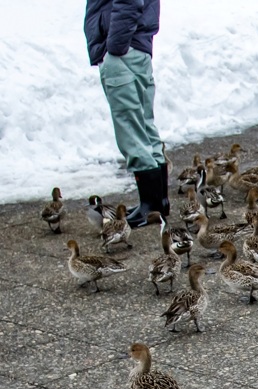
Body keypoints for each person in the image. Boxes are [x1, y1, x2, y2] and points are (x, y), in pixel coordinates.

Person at [85, 0, 169, 228]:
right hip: (137, 47)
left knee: (131, 131)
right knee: (143, 125)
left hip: (123, 51)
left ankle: (150, 206)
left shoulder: (119, 49)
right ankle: (158, 202)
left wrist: (115, 47)